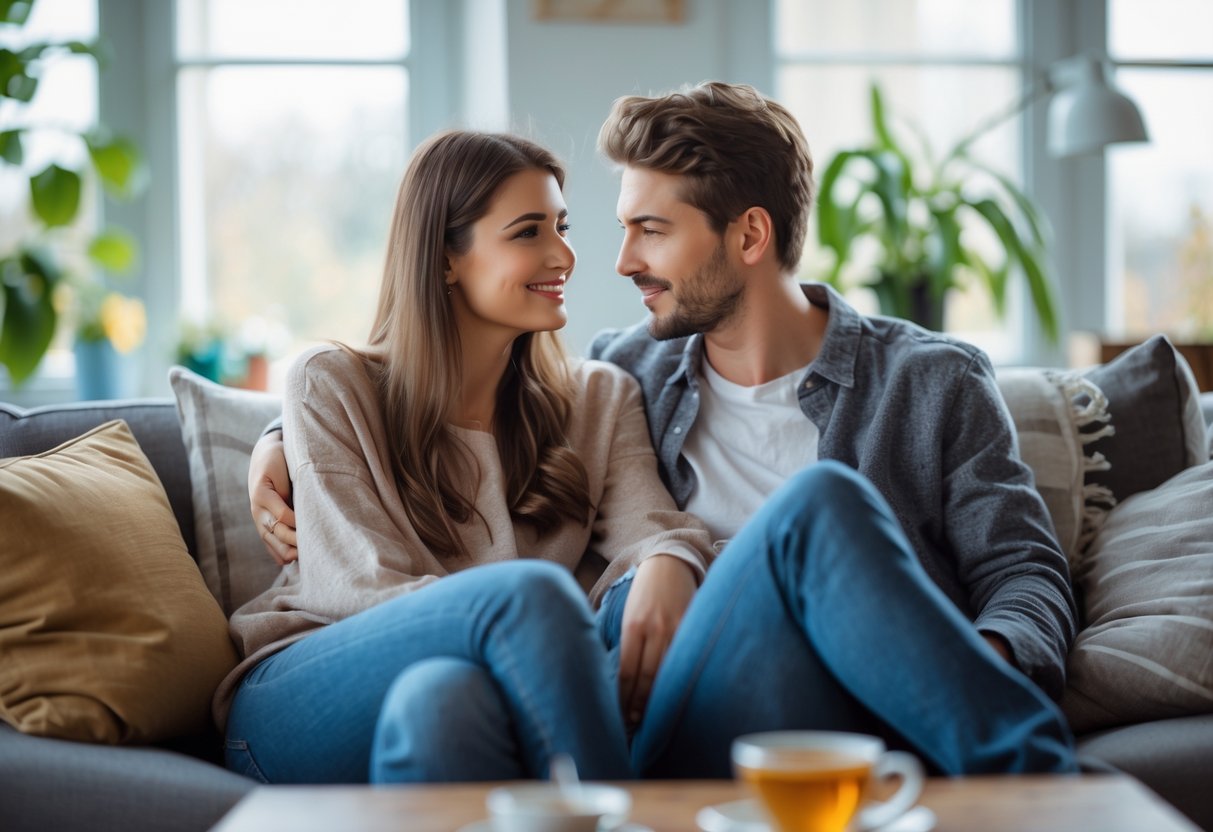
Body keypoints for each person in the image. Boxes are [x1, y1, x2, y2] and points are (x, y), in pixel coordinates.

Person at [249, 83, 1080, 779]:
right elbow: (384, 413)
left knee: (823, 502)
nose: (608, 261)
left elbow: (1023, 570)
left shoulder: (926, 382)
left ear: (748, 234)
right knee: (457, 683)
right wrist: (279, 443)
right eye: (549, 231)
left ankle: (1029, 777)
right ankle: (1048, 789)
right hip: (639, 694)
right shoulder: (636, 368)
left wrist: (967, 667)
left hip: (834, 693)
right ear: (443, 256)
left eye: (647, 230)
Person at [219, 129, 715, 785]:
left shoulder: (599, 396)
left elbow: (649, 529)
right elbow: (357, 590)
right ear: (445, 260)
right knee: (531, 597)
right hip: (310, 683)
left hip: (464, 679)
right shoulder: (330, 381)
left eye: (561, 226)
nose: (564, 255)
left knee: (444, 704)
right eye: (528, 232)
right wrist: (523, 623)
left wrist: (667, 558)